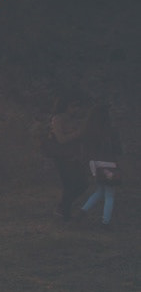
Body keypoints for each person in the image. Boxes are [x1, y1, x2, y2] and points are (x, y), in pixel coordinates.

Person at [78, 102, 122, 230]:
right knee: (110, 195)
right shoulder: (111, 131)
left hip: (96, 165)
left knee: (100, 191)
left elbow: (86, 150)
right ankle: (105, 222)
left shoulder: (89, 131)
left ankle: (82, 211)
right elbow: (118, 149)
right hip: (110, 165)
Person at [45, 94, 89, 219]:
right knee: (69, 184)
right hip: (62, 157)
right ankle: (64, 211)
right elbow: (61, 139)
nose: (76, 109)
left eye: (78, 106)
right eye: (73, 106)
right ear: (65, 106)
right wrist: (78, 133)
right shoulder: (57, 119)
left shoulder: (74, 119)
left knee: (82, 184)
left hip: (74, 156)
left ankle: (63, 208)